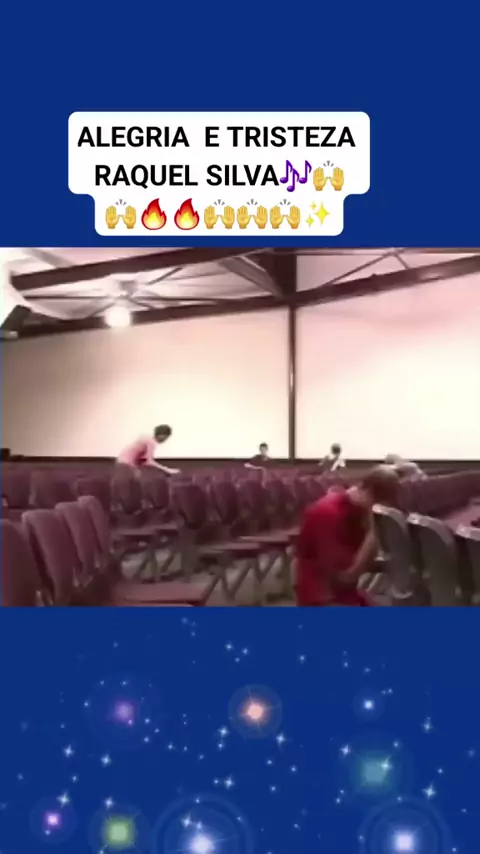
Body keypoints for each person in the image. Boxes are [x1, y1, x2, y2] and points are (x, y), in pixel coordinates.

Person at [295, 465, 400, 606]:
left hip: (344, 593)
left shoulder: (358, 511)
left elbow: (366, 566)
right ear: (368, 492)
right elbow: (346, 577)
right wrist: (373, 532)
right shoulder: (328, 513)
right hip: (322, 597)